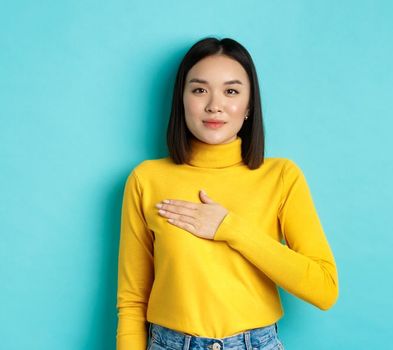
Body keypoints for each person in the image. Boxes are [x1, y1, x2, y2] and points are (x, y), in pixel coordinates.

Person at [116, 36, 339, 350]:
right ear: (182, 99)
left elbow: (324, 288)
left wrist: (231, 229)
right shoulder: (146, 179)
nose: (214, 105)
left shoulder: (282, 177)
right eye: (199, 90)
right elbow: (132, 299)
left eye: (231, 91)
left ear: (249, 105)